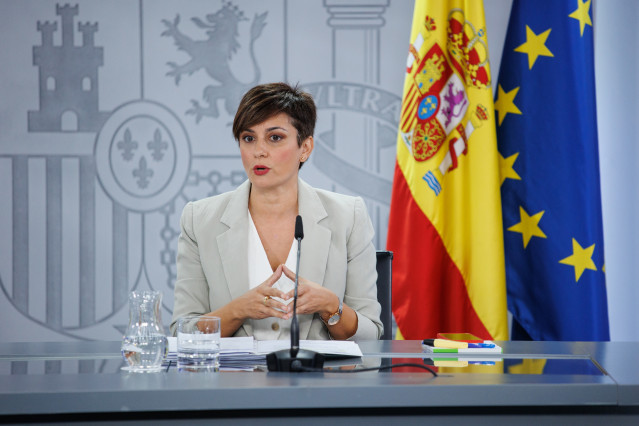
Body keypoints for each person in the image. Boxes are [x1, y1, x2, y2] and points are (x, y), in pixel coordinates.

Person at [170, 82, 382, 341]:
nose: (259, 151)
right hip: (231, 381)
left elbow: (371, 335)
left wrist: (330, 306)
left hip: (318, 380)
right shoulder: (199, 220)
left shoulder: (349, 216)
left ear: (305, 148)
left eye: (275, 137)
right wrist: (235, 311)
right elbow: (182, 332)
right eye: (249, 138)